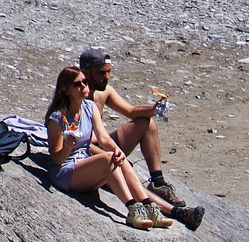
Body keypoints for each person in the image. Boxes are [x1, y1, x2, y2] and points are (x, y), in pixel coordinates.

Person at [45, 66, 204, 231]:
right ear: (66, 90)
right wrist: (68, 147)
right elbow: (57, 159)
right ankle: (133, 210)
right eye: (78, 84)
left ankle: (150, 208)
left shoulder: (89, 107)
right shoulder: (57, 118)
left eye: (85, 82)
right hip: (65, 172)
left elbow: (103, 137)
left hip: (84, 165)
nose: (84, 87)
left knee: (118, 158)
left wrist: (118, 152)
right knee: (108, 158)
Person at [78, 47, 186, 208]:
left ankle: (158, 183)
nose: (106, 78)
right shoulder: (76, 95)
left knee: (146, 123)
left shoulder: (104, 92)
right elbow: (77, 140)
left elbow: (130, 111)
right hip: (86, 151)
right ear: (86, 73)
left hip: (102, 143)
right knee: (125, 170)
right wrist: (115, 155)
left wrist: (153, 110)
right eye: (101, 73)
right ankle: (157, 205)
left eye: (108, 72)